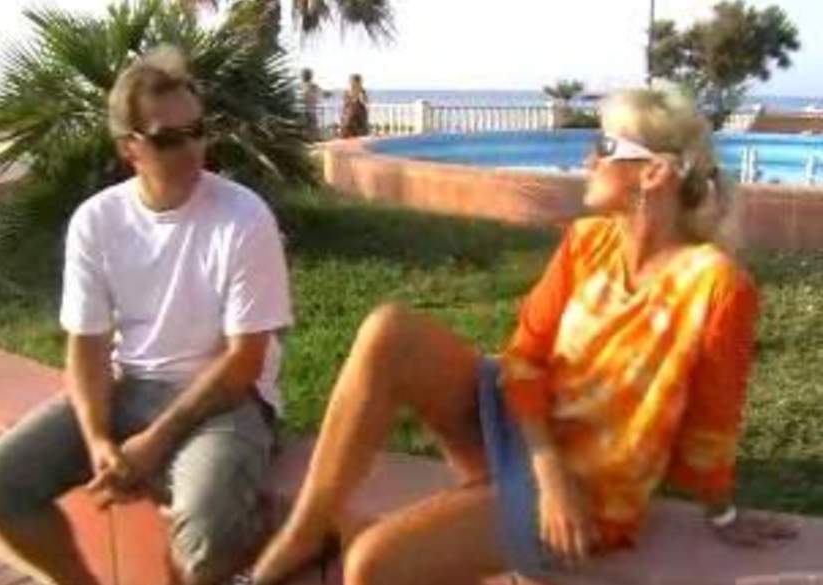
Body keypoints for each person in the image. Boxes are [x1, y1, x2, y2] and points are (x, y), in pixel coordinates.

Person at [245, 88, 796, 585]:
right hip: (528, 433)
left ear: (653, 173)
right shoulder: (588, 241)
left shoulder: (715, 285)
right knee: (390, 331)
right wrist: (546, 466)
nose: (589, 159)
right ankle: (304, 533)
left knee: (370, 565)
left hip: (586, 493)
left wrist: (722, 510)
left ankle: (488, 511)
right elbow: (525, 356)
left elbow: (712, 422)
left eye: (605, 146)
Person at [0, 46, 292, 585]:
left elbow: (245, 362)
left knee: (206, 539)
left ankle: (240, 528)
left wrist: (154, 442)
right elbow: (87, 345)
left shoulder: (243, 217)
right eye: (169, 138)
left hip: (227, 401)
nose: (192, 149)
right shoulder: (98, 221)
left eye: (198, 131)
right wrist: (98, 440)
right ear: (129, 147)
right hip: (130, 387)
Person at [339, 74, 369, 138]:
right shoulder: (347, 92)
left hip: (359, 117)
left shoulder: (362, 91)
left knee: (360, 134)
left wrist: (360, 96)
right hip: (349, 118)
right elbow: (345, 104)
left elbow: (365, 101)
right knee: (348, 132)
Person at [300, 68, 323, 141]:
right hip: (309, 109)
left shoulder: (302, 86)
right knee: (311, 125)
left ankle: (311, 139)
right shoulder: (312, 86)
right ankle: (313, 138)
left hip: (306, 109)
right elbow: (320, 94)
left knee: (308, 126)